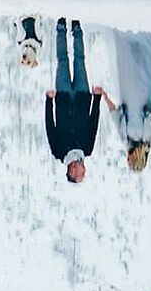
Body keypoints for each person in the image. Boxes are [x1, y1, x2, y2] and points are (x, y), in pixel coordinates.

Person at [45, 17, 106, 182]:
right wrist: (97, 98)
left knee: (62, 60)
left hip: (63, 98)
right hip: (83, 97)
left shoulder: (58, 151)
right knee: (80, 61)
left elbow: (50, 127)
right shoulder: (87, 149)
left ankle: (61, 27)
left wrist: (49, 101)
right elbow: (94, 122)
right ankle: (77, 29)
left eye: (81, 174)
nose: (84, 171)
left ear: (72, 171)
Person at [111, 28, 151, 169]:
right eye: (130, 162)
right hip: (145, 96)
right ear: (137, 159)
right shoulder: (150, 140)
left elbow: (115, 115)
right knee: (142, 64)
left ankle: (124, 31)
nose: (127, 159)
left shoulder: (125, 139)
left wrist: (103, 96)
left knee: (126, 60)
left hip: (128, 94)